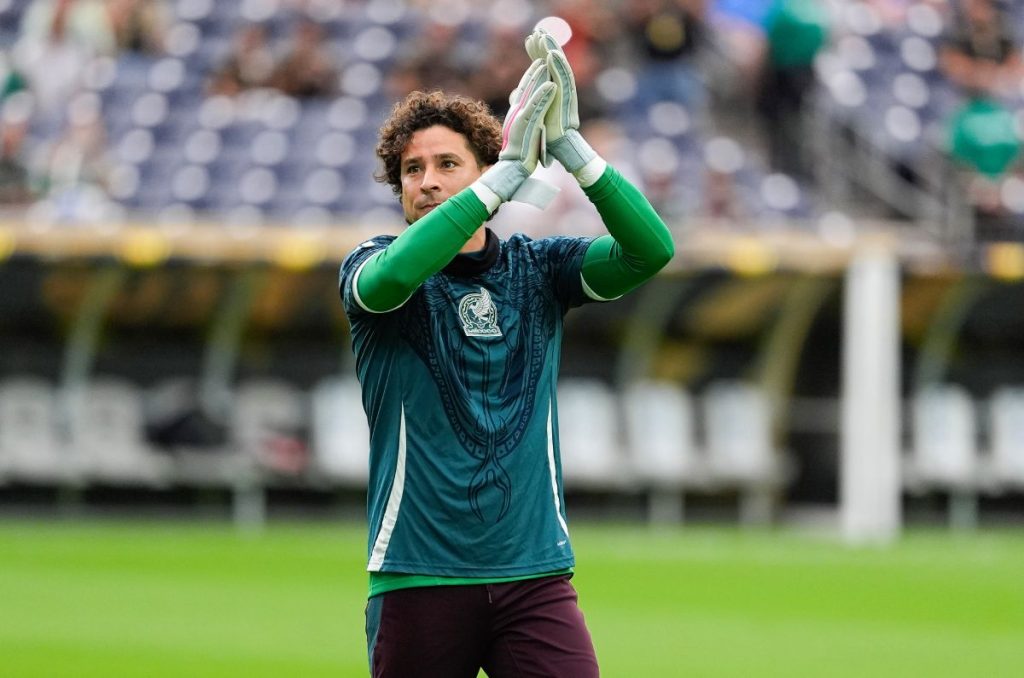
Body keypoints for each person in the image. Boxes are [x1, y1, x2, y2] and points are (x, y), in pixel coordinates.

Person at [338, 28, 674, 678]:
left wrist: (575, 153)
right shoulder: (374, 264)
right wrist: (498, 186)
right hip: (419, 573)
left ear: (484, 167)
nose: (427, 182)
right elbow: (392, 278)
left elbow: (650, 250)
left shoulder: (540, 267)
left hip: (534, 575)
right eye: (412, 170)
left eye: (447, 164)